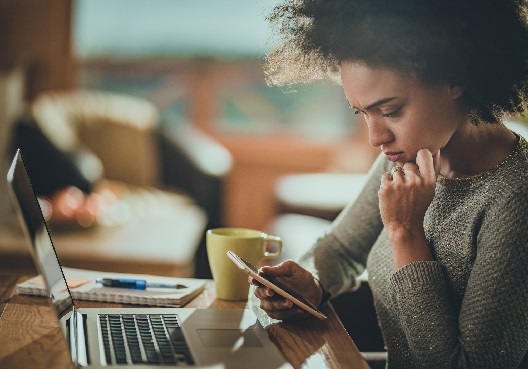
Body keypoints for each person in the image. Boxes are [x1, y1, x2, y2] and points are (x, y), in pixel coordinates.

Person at [251, 0, 528, 368]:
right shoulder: (411, 153)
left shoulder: (516, 199)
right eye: (361, 113)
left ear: (456, 78)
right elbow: (342, 249)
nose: (375, 137)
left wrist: (406, 233)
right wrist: (309, 285)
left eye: (390, 111)